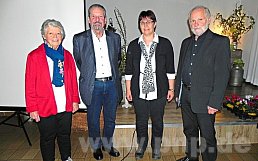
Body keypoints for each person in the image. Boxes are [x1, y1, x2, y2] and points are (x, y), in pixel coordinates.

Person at [175, 6, 231, 161]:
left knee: (207, 135)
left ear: (208, 20)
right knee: (190, 131)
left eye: (199, 19)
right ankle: (192, 157)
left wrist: (215, 102)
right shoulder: (185, 43)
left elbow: (222, 75)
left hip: (206, 100)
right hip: (186, 96)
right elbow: (181, 69)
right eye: (192, 20)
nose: (196, 23)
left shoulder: (220, 42)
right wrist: (179, 93)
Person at [25, 19, 80, 161]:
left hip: (64, 104)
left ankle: (66, 158)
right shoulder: (34, 56)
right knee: (48, 138)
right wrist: (32, 108)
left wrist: (75, 100)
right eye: (51, 33)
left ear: (62, 35)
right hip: (44, 106)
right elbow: (29, 84)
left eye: (58, 33)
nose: (55, 36)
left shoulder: (67, 55)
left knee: (64, 135)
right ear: (44, 35)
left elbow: (73, 80)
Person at [73, 4, 122, 160]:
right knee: (93, 119)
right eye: (93, 16)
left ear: (105, 20)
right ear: (89, 20)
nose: (97, 20)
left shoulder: (115, 38)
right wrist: (90, 76)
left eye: (100, 16)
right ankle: (96, 148)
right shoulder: (79, 39)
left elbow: (118, 60)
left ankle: (107, 145)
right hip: (93, 86)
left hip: (111, 84)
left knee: (110, 119)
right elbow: (80, 62)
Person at [125, 10, 175, 160]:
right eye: (142, 22)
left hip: (159, 91)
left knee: (157, 121)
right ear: (139, 25)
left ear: (155, 24)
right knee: (140, 121)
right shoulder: (134, 45)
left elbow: (170, 69)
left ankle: (156, 147)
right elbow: (128, 71)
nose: (146, 25)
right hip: (138, 90)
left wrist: (171, 88)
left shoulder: (165, 44)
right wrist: (128, 89)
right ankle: (141, 145)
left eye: (149, 22)